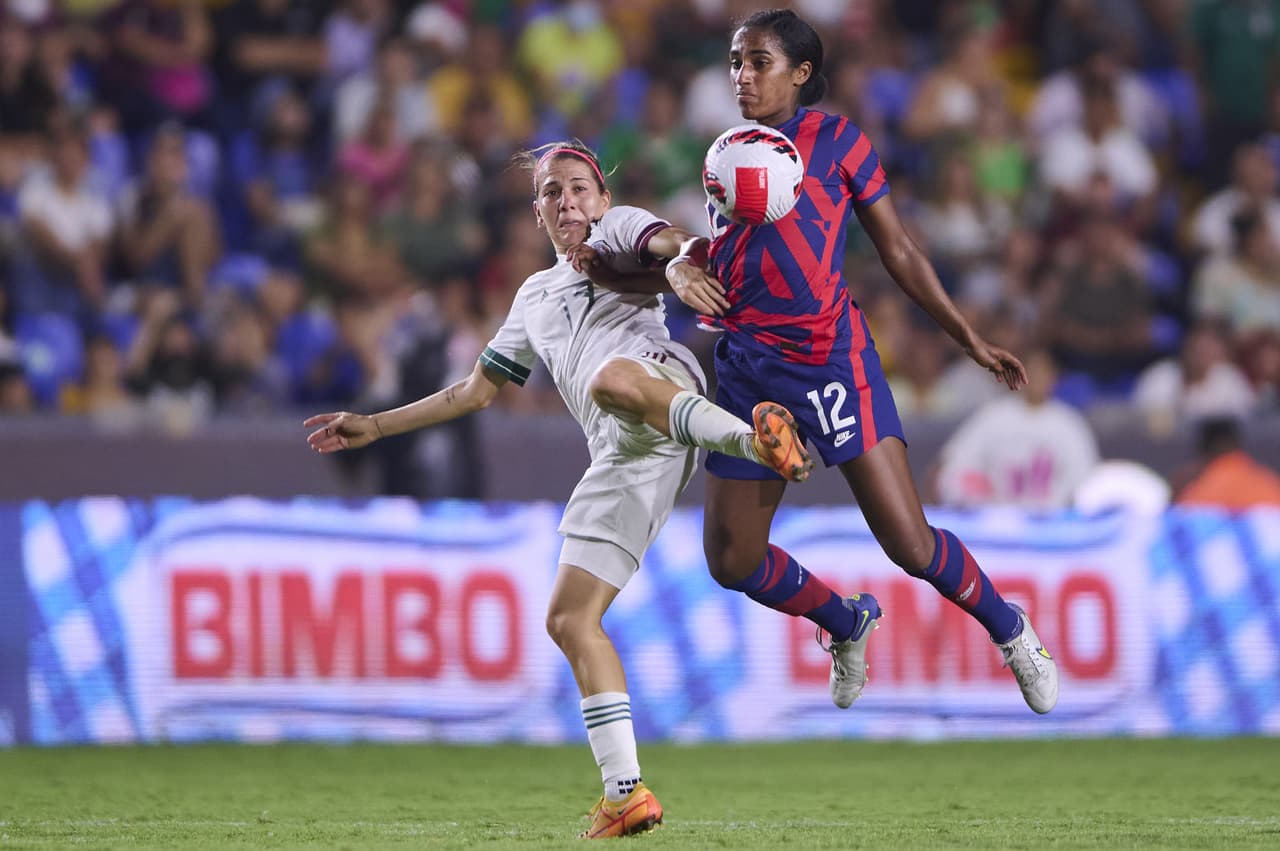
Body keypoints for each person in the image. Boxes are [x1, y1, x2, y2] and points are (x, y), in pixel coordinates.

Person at [304, 140, 813, 839]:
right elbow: (474, 391)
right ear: (537, 210)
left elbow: (667, 240)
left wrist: (681, 260)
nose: (568, 201)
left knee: (611, 378)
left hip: (660, 383)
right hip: (622, 451)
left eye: (579, 187)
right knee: (569, 619)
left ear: (601, 197)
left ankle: (757, 440)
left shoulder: (617, 228)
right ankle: (625, 792)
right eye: (552, 192)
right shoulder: (533, 297)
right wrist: (374, 424)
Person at [660, 9, 1059, 715]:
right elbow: (721, 250)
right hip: (750, 368)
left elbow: (898, 250)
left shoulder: (839, 140)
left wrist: (965, 335)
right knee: (732, 560)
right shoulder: (725, 150)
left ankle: (1011, 627)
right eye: (734, 62)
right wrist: (684, 266)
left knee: (910, 543)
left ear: (802, 72)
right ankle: (846, 621)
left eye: (758, 63)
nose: (742, 77)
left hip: (831, 362)